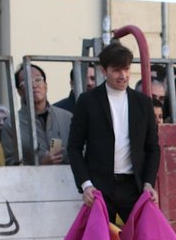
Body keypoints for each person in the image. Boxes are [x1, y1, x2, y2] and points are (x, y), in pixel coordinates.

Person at [67, 42, 160, 225]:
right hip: (99, 188)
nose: (123, 75)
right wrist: (87, 185)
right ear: (104, 70)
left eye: (126, 69)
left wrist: (149, 183)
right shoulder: (87, 101)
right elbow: (74, 146)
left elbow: (152, 148)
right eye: (117, 70)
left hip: (135, 187)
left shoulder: (143, 103)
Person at [1, 63, 73, 166]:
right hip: (30, 181)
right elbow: (8, 164)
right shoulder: (12, 124)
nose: (34, 85)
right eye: (26, 82)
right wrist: (39, 164)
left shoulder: (66, 118)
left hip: (66, 179)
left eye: (38, 79)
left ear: (46, 85)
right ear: (19, 92)